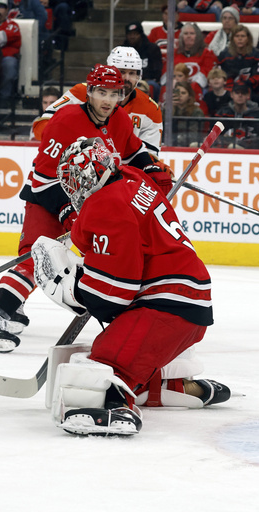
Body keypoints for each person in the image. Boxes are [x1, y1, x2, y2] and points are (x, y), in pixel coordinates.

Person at [30, 136, 231, 436]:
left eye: (74, 179)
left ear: (89, 176)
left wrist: (67, 287)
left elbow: (111, 296)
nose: (72, 188)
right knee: (133, 351)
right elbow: (124, 245)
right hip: (188, 302)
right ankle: (177, 387)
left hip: (165, 304)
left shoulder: (104, 204)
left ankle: (115, 408)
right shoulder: (131, 177)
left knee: (104, 360)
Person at [0, 64, 172, 353]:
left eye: (113, 94)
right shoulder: (65, 121)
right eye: (101, 92)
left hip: (87, 203)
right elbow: (42, 177)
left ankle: (118, 320)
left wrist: (151, 167)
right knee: (34, 257)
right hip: (46, 198)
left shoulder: (121, 120)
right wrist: (65, 209)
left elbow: (134, 150)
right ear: (89, 92)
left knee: (105, 259)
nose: (107, 100)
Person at [32, 46, 163, 158]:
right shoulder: (81, 92)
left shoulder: (151, 109)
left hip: (120, 175)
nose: (126, 78)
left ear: (139, 76)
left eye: (132, 73)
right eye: (121, 72)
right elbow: (40, 128)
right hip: (76, 170)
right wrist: (75, 144)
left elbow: (150, 157)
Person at [161, 23, 217, 92]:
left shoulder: (207, 53)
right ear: (181, 37)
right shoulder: (173, 53)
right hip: (175, 85)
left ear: (198, 36)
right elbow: (166, 73)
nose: (189, 36)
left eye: (192, 33)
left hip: (197, 87)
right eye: (186, 34)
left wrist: (189, 82)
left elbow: (208, 75)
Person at [0, 0, 21, 98]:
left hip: (5, 58)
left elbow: (0, 39)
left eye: (1, 7)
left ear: (7, 10)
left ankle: (4, 98)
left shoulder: (13, 25)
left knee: (9, 64)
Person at [123, 21, 162, 102]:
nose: (132, 37)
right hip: (127, 80)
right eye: (130, 34)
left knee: (151, 86)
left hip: (148, 80)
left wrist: (142, 79)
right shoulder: (121, 50)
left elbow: (157, 71)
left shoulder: (152, 49)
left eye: (135, 34)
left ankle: (152, 110)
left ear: (141, 35)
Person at [218, 24, 259, 101]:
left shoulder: (256, 54)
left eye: (243, 36)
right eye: (237, 36)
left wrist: (247, 83)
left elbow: (257, 75)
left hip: (252, 87)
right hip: (229, 88)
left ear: (248, 38)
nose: (240, 39)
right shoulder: (224, 55)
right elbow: (221, 74)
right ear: (232, 38)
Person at [216, 81, 259, 148]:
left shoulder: (256, 114)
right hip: (224, 147)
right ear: (231, 95)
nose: (240, 95)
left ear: (248, 95)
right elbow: (214, 133)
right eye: (237, 93)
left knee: (232, 147)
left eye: (243, 93)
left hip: (249, 149)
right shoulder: (223, 112)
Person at [163, 81, 205, 147]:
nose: (180, 95)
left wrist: (176, 138)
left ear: (189, 96)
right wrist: (170, 109)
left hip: (188, 145)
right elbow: (162, 128)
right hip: (169, 144)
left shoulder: (196, 111)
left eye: (183, 93)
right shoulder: (168, 109)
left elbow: (194, 135)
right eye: (178, 93)